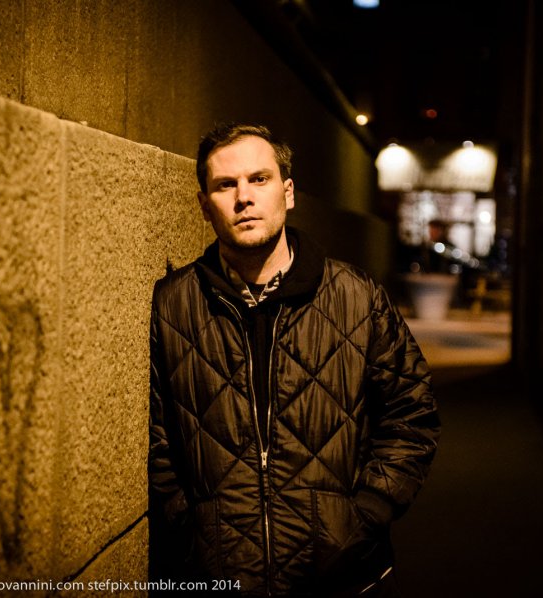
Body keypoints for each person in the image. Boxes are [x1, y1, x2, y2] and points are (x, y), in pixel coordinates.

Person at [148, 123, 440, 597]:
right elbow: (157, 438)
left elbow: (413, 414)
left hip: (341, 576)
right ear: (204, 205)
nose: (244, 197)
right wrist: (188, 525)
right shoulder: (173, 304)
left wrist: (366, 514)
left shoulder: (356, 297)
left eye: (259, 179)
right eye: (225, 185)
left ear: (287, 192)